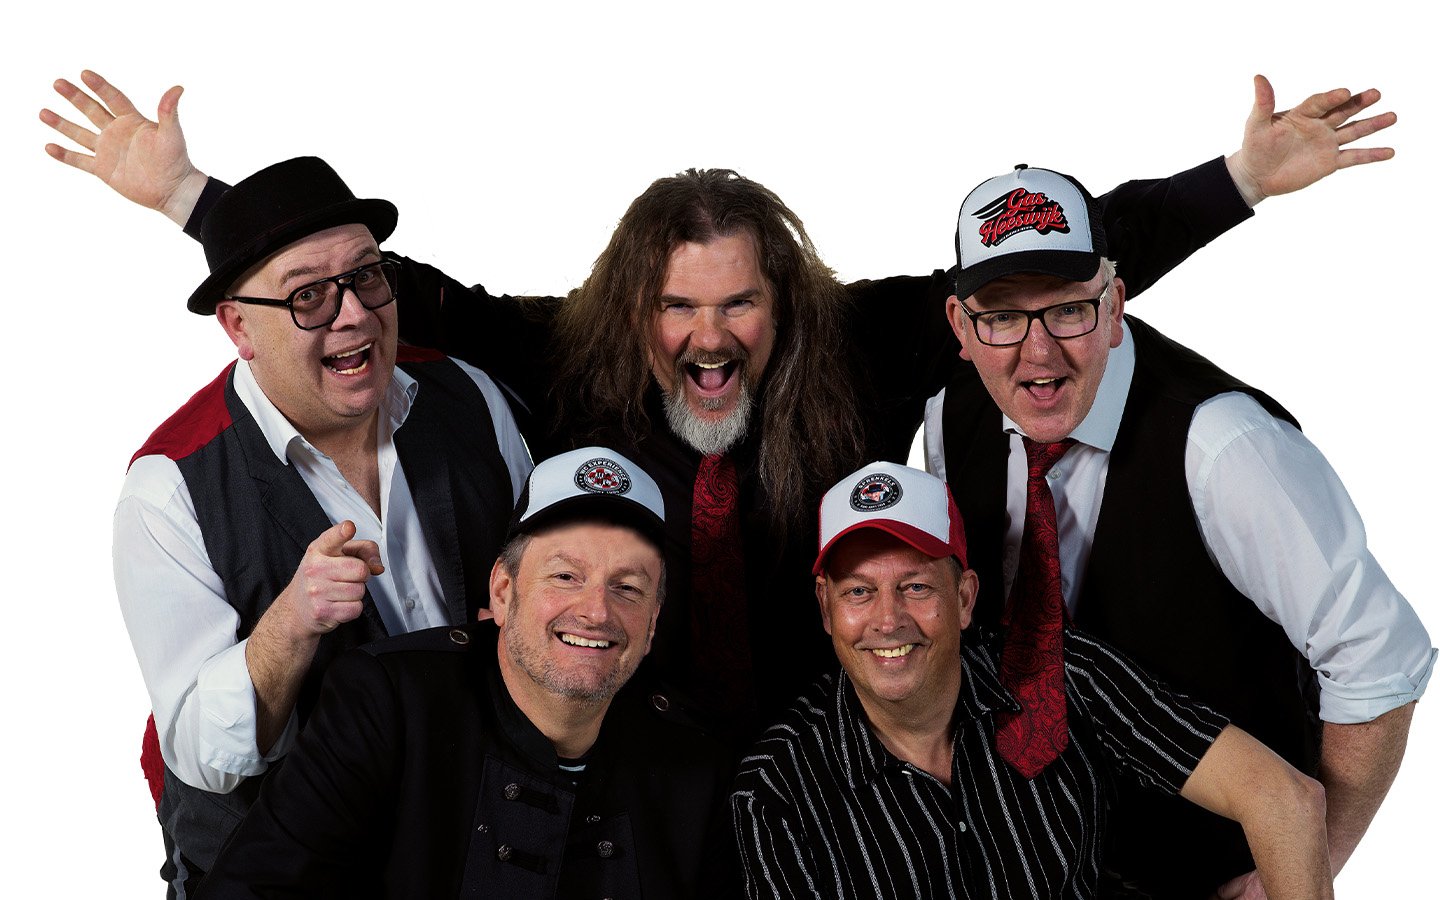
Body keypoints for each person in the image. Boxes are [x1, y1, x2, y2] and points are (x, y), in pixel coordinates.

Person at [43, 71, 1393, 733]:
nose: (708, 336)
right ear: (633, 305)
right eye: (678, 307)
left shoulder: (855, 342)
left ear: (781, 302)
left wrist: (1240, 180)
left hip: (846, 736)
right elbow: (382, 289)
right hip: (637, 753)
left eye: (739, 304)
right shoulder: (568, 356)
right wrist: (193, 200)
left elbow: (1022, 278)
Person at [925, 163, 1435, 896]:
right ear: (960, 326)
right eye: (1002, 316)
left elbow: (1379, 662)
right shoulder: (951, 415)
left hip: (1208, 867)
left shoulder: (1224, 448)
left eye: (1069, 310)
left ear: (1115, 305)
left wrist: (1299, 865)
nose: (1038, 353)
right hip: (1046, 860)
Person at [112, 156, 532, 895]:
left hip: (477, 844)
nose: (354, 314)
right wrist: (290, 625)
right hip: (286, 872)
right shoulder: (169, 486)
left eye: (366, 276)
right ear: (239, 327)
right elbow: (201, 754)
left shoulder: (469, 397)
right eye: (307, 295)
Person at [730, 461, 1332, 900]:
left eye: (915, 586)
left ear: (964, 598)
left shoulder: (1056, 674)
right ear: (825, 606)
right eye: (859, 592)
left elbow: (1285, 800)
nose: (888, 620)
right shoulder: (777, 789)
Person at [194, 447, 733, 900]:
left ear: (653, 623)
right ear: (503, 592)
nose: (596, 611)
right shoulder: (389, 704)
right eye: (566, 576)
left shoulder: (694, 763)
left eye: (628, 588)